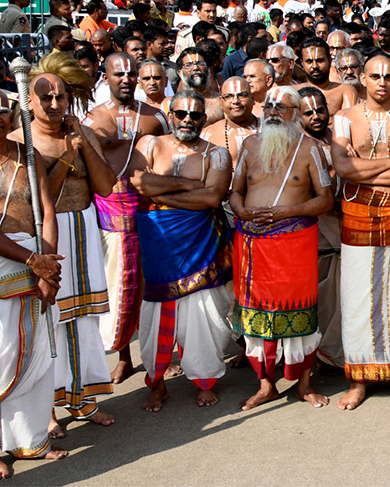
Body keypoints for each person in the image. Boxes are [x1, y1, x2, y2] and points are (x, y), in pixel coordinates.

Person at [330, 54, 390, 408]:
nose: (383, 82)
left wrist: (366, 169)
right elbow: (343, 168)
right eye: (375, 76)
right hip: (357, 217)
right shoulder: (344, 118)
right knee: (357, 298)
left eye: (389, 76)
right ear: (363, 78)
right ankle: (358, 380)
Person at [20, 68, 117, 433]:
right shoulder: (21, 142)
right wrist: (65, 154)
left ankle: (84, 401)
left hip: (85, 231)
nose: (55, 103)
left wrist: (83, 142)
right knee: (50, 324)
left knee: (85, 322)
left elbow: (106, 187)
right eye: (45, 97)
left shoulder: (82, 133)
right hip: (49, 240)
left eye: (60, 96)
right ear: (29, 102)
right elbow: (38, 199)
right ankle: (47, 412)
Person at [229, 85, 334, 411]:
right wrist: (242, 211)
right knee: (255, 318)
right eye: (270, 106)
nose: (273, 112)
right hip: (251, 243)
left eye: (283, 108)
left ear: (294, 115)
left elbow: (325, 199)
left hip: (294, 244)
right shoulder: (249, 145)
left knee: (300, 314)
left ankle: (304, 384)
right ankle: (266, 385)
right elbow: (235, 192)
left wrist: (286, 212)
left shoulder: (311, 149)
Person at [130, 90, 234, 411]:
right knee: (156, 314)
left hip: (200, 242)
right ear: (170, 115)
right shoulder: (150, 144)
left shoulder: (217, 155)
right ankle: (157, 383)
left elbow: (212, 198)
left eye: (195, 115)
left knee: (203, 313)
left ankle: (204, 380)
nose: (187, 120)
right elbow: (138, 183)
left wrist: (161, 192)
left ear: (204, 119)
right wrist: (192, 186)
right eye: (180, 114)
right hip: (158, 242)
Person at [0, 87, 66, 479]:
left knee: (36, 357)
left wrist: (47, 265)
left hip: (35, 264)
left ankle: (30, 439)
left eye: (1, 111)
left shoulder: (25, 156)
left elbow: (47, 211)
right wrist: (34, 261)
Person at [81, 53, 171, 384]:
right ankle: (124, 355)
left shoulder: (156, 116)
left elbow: (170, 155)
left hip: (152, 211)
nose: (126, 78)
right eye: (118, 73)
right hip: (110, 213)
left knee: (155, 285)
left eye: (131, 73)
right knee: (120, 286)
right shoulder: (93, 119)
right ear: (105, 77)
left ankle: (159, 355)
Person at [295, 87, 343, 370]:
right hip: (315, 229)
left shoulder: (339, 136)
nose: (315, 116)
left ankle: (335, 350)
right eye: (308, 112)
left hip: (344, 221)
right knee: (318, 294)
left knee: (341, 294)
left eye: (320, 110)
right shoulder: (297, 145)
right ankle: (315, 354)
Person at [201, 76, 258, 168]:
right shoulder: (207, 135)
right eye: (228, 96)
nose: (235, 101)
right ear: (221, 101)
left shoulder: (270, 129)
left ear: (253, 98)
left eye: (242, 95)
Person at [300, 40, 357, 115]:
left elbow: (348, 121)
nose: (314, 66)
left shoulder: (345, 90)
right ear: (302, 64)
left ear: (330, 62)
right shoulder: (293, 93)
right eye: (309, 61)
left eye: (319, 60)